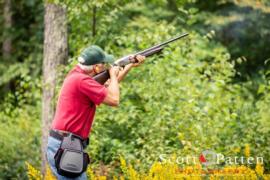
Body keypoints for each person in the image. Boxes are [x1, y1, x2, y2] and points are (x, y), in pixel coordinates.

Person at [46, 45, 145, 179]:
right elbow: (114, 99)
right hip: (66, 145)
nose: (107, 66)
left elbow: (107, 88)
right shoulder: (82, 81)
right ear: (96, 67)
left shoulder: (77, 75)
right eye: (104, 64)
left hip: (64, 143)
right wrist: (112, 74)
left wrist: (129, 66)